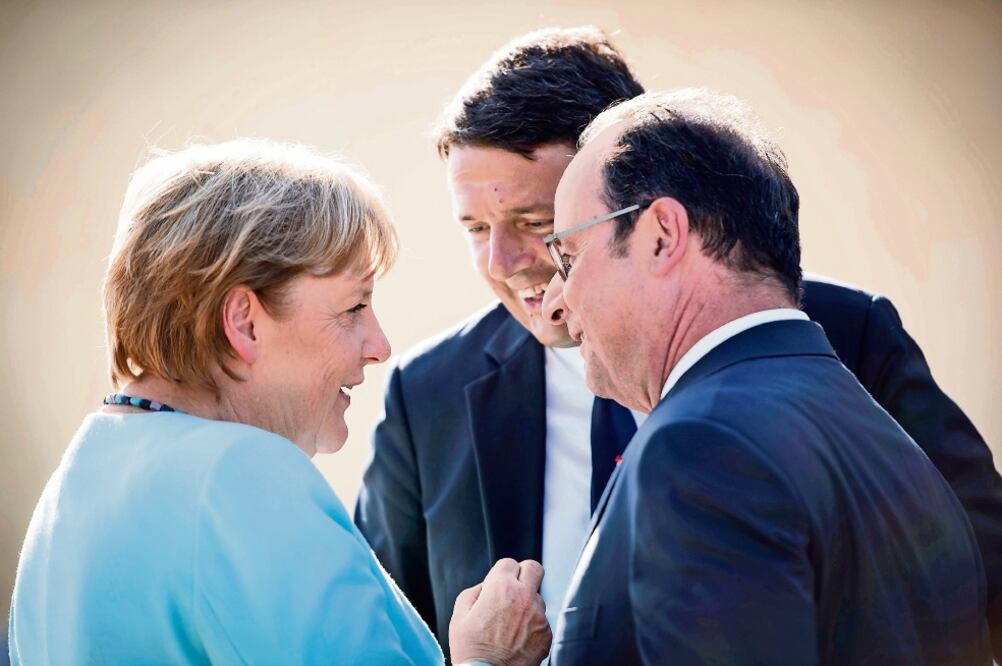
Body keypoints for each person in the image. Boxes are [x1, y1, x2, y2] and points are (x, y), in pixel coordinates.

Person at [354, 25, 1002, 659]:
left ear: (646, 206)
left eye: (545, 227)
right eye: (473, 227)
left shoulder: (837, 335)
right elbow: (376, 640)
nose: (505, 260)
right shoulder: (426, 395)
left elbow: (968, 574)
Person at [7, 139, 551, 665]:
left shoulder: (72, 489)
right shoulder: (238, 474)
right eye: (354, 306)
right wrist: (491, 659)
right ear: (244, 321)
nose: (379, 346)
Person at [537, 88, 990, 664]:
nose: (556, 299)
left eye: (569, 258)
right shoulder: (885, 440)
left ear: (662, 235)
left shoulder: (700, 448)